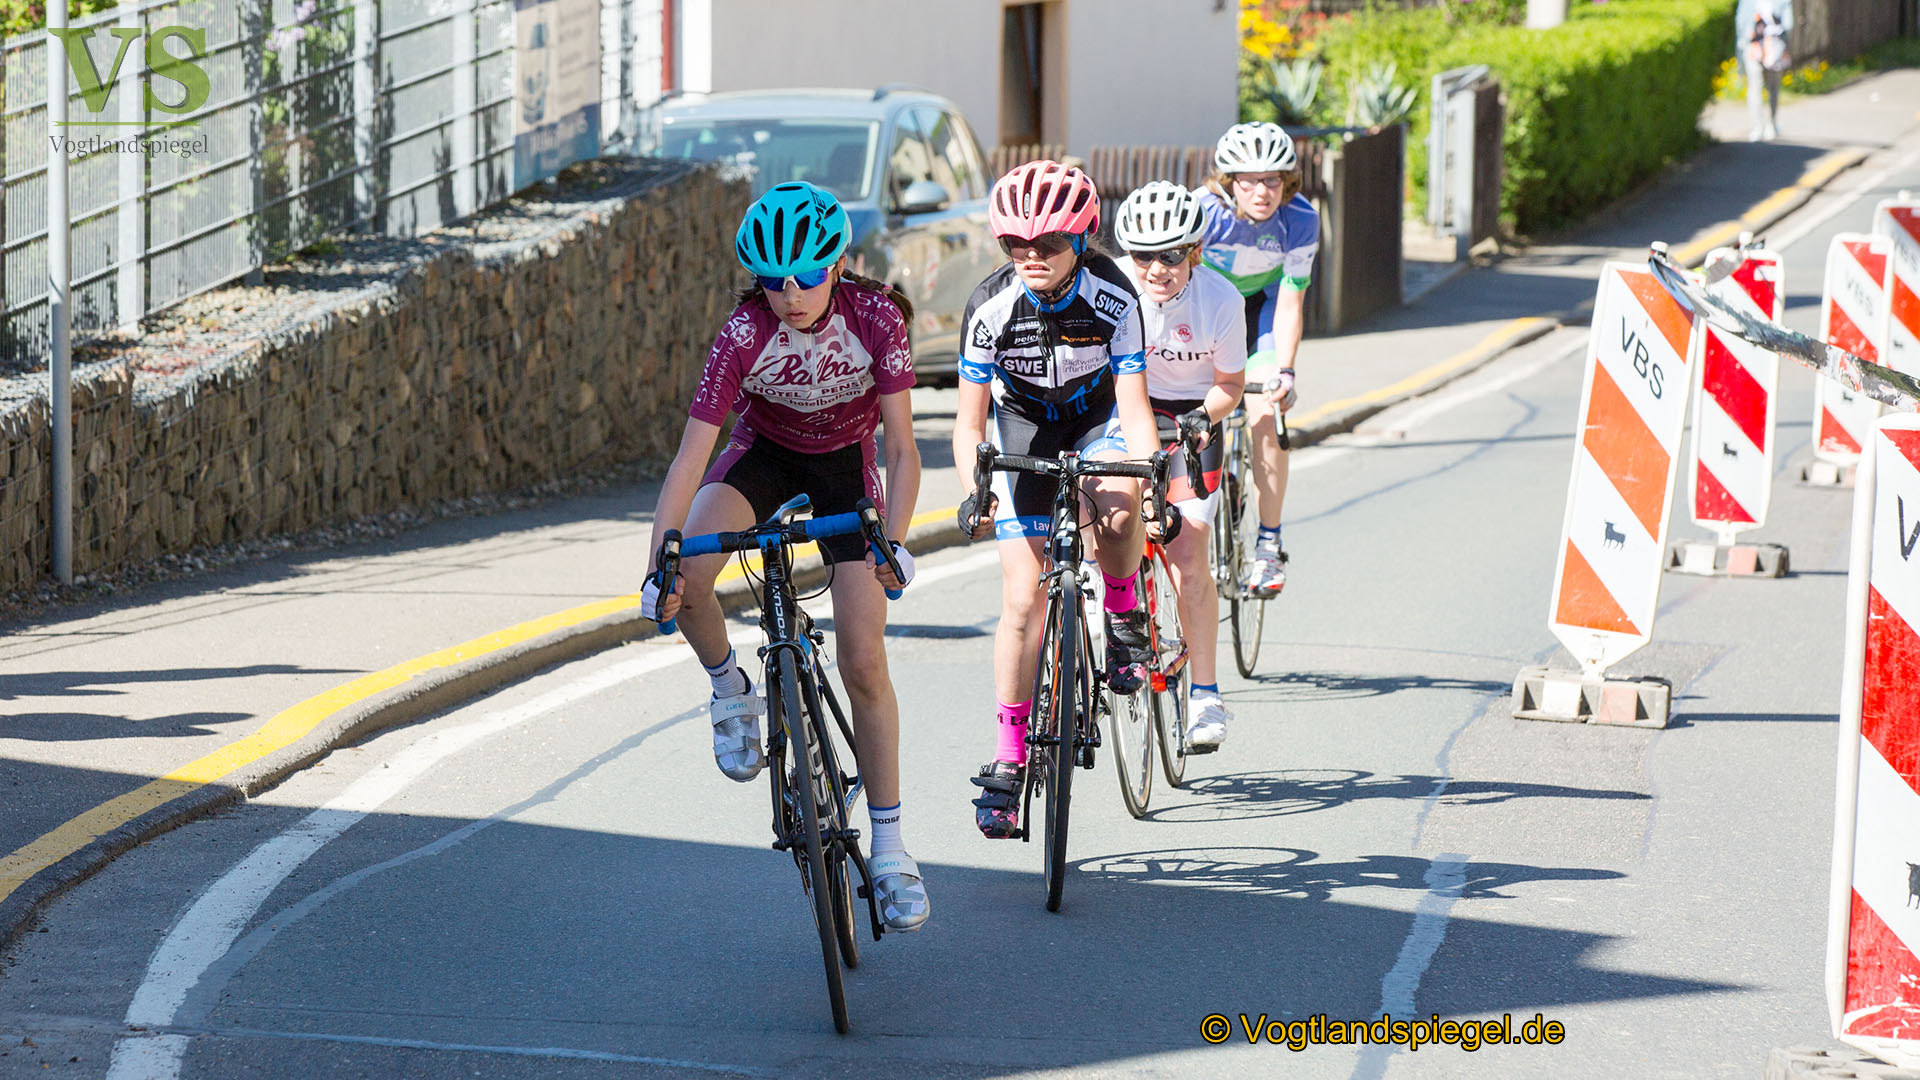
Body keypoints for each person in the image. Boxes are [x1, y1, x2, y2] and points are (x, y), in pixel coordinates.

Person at [642, 181, 929, 931]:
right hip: (763, 455)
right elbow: (689, 459)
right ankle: (729, 688)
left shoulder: (876, 318)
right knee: (693, 576)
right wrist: (657, 563)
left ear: (836, 263)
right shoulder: (743, 334)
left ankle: (893, 850)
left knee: (864, 661)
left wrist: (891, 541)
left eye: (807, 275)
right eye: (773, 281)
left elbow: (902, 449)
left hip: (845, 467)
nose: (791, 293)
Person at [952, 160, 1165, 838]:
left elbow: (1134, 407)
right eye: (1018, 245)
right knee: (1022, 599)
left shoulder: (1113, 296)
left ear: (1083, 241)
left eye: (1049, 244)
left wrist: (1148, 473)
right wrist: (973, 491)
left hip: (1098, 418)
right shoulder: (990, 307)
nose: (1033, 256)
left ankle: (1125, 612)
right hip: (1024, 425)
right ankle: (1010, 761)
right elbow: (968, 424)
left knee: (1120, 507)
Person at [1112, 181, 1248, 750]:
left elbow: (1232, 386)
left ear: (1194, 249)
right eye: (1144, 256)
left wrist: (1201, 418)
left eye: (1171, 254)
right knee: (1112, 524)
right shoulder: (1113, 288)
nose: (1157, 269)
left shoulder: (1220, 300)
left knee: (1189, 549)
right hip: (1126, 411)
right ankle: (1118, 619)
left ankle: (1206, 695)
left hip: (1194, 417)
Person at [1195, 121, 1319, 598]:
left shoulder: (1301, 218)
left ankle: (1269, 545)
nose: (1262, 191)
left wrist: (1284, 372)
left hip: (1262, 315)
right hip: (1211, 316)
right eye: (1249, 180)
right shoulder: (1204, 213)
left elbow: (1290, 302)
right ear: (1229, 181)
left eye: (1273, 180)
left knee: (1266, 414)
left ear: (1287, 181)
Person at [1737, 0, 1793, 141]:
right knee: (1763, 87)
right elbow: (1788, 25)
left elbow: (1740, 21)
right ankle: (1763, 126)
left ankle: (1766, 125)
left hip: (1770, 47)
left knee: (1765, 87)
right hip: (1758, 46)